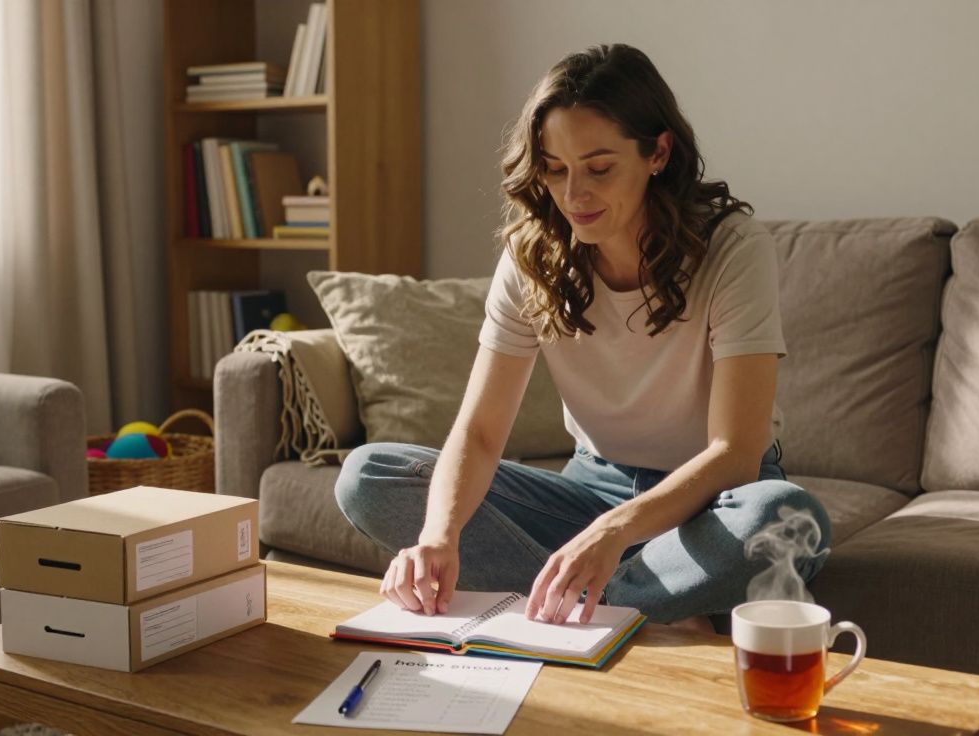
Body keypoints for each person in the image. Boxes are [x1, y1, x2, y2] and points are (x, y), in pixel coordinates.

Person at [334, 43, 830, 632]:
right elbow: (482, 431)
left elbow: (735, 454)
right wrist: (437, 539)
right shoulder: (531, 256)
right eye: (555, 168)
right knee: (368, 475)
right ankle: (649, 605)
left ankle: (581, 605)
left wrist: (610, 533)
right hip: (592, 487)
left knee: (785, 516)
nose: (574, 195)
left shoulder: (732, 249)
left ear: (658, 153)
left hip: (713, 500)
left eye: (598, 168)